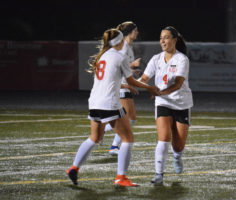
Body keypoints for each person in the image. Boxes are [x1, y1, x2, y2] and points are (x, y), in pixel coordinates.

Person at [66, 28, 158, 187]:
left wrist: (124, 86)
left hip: (94, 102)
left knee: (94, 138)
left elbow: (108, 80)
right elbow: (132, 80)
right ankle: (121, 177)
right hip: (109, 103)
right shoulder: (120, 57)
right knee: (128, 139)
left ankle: (74, 168)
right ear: (120, 41)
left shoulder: (102, 56)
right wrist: (151, 88)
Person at [138, 26, 193, 184]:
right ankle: (158, 175)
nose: (163, 40)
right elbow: (144, 79)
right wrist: (127, 84)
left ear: (174, 40)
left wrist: (159, 92)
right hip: (162, 103)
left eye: (167, 37)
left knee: (178, 145)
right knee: (163, 138)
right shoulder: (156, 59)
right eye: (161, 37)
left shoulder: (182, 59)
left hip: (181, 102)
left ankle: (177, 156)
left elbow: (177, 84)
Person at [104, 21, 142, 156]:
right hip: (121, 86)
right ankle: (113, 145)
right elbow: (117, 64)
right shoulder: (124, 46)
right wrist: (132, 64)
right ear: (130, 32)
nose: (137, 33)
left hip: (126, 84)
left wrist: (132, 71)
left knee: (131, 119)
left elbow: (124, 67)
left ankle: (110, 139)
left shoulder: (128, 46)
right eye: (135, 30)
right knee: (128, 119)